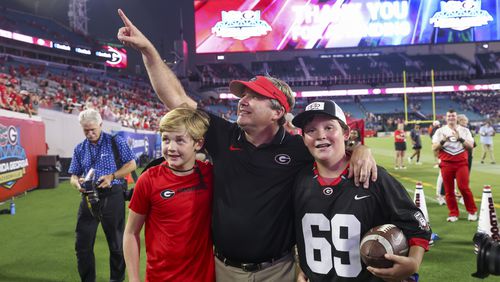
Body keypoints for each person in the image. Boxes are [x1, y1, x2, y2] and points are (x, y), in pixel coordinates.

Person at [117, 9, 377, 281]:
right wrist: (147, 50)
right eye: (243, 95)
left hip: (278, 270)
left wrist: (360, 150)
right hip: (224, 269)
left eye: (254, 97)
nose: (242, 100)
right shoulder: (223, 135)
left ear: (277, 112)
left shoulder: (298, 149)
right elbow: (177, 99)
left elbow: (334, 156)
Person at [291, 100, 431, 281]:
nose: (320, 135)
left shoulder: (373, 176)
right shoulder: (299, 180)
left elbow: (417, 226)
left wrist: (413, 262)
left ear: (346, 133)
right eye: (311, 130)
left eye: (329, 127)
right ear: (303, 139)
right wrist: (305, 265)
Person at [123, 107, 214, 282]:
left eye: (180, 141)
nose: (171, 148)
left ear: (198, 143)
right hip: (160, 277)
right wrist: (134, 279)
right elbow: (131, 233)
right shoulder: (148, 180)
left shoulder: (212, 175)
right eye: (166, 139)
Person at [68, 108, 137, 282]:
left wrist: (112, 176)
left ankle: (116, 280)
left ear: (100, 124)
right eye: (86, 130)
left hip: (112, 196)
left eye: (93, 129)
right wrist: (77, 183)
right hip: (88, 199)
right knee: (82, 246)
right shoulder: (79, 148)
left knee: (116, 246)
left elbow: (132, 165)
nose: (90, 133)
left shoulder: (115, 141)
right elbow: (73, 175)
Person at [432, 109, 477, 222]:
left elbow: (470, 146)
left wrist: (460, 138)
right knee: (449, 190)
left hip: (461, 163)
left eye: (453, 116)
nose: (451, 118)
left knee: (463, 187)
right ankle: (453, 213)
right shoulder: (440, 131)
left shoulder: (465, 130)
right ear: (446, 118)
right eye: (449, 116)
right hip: (446, 163)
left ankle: (472, 211)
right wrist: (443, 140)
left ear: (456, 117)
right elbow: (434, 147)